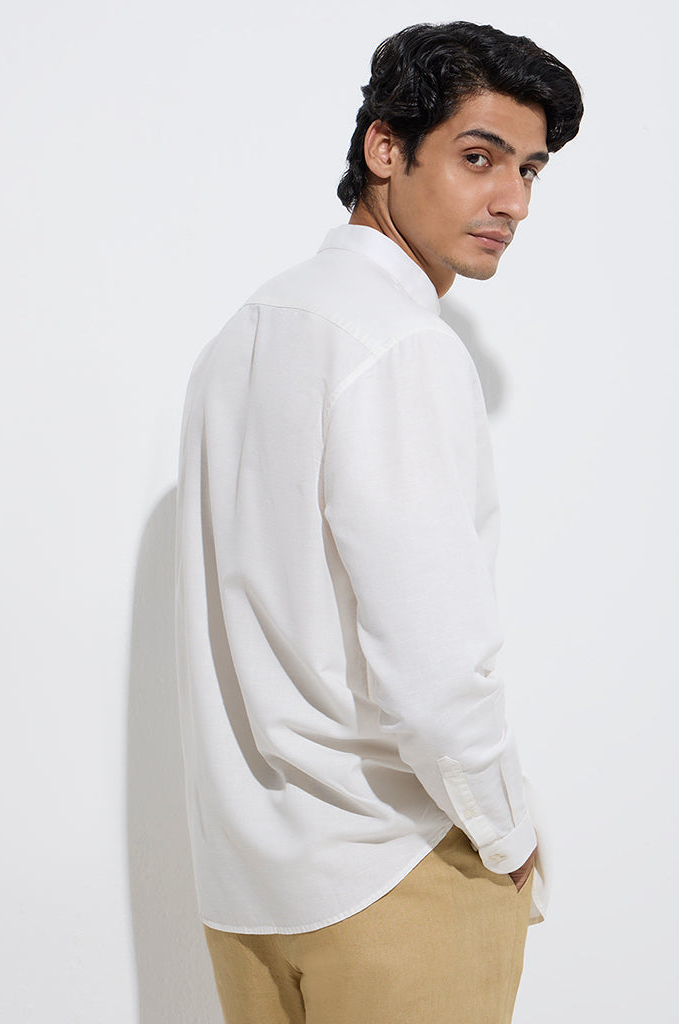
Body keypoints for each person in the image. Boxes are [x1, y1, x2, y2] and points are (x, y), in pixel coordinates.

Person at [175, 21, 583, 1024]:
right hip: (395, 877)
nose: (514, 200)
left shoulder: (244, 334)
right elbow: (434, 665)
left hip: (249, 893)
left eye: (530, 169)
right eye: (480, 157)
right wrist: (507, 831)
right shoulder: (400, 345)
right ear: (386, 148)